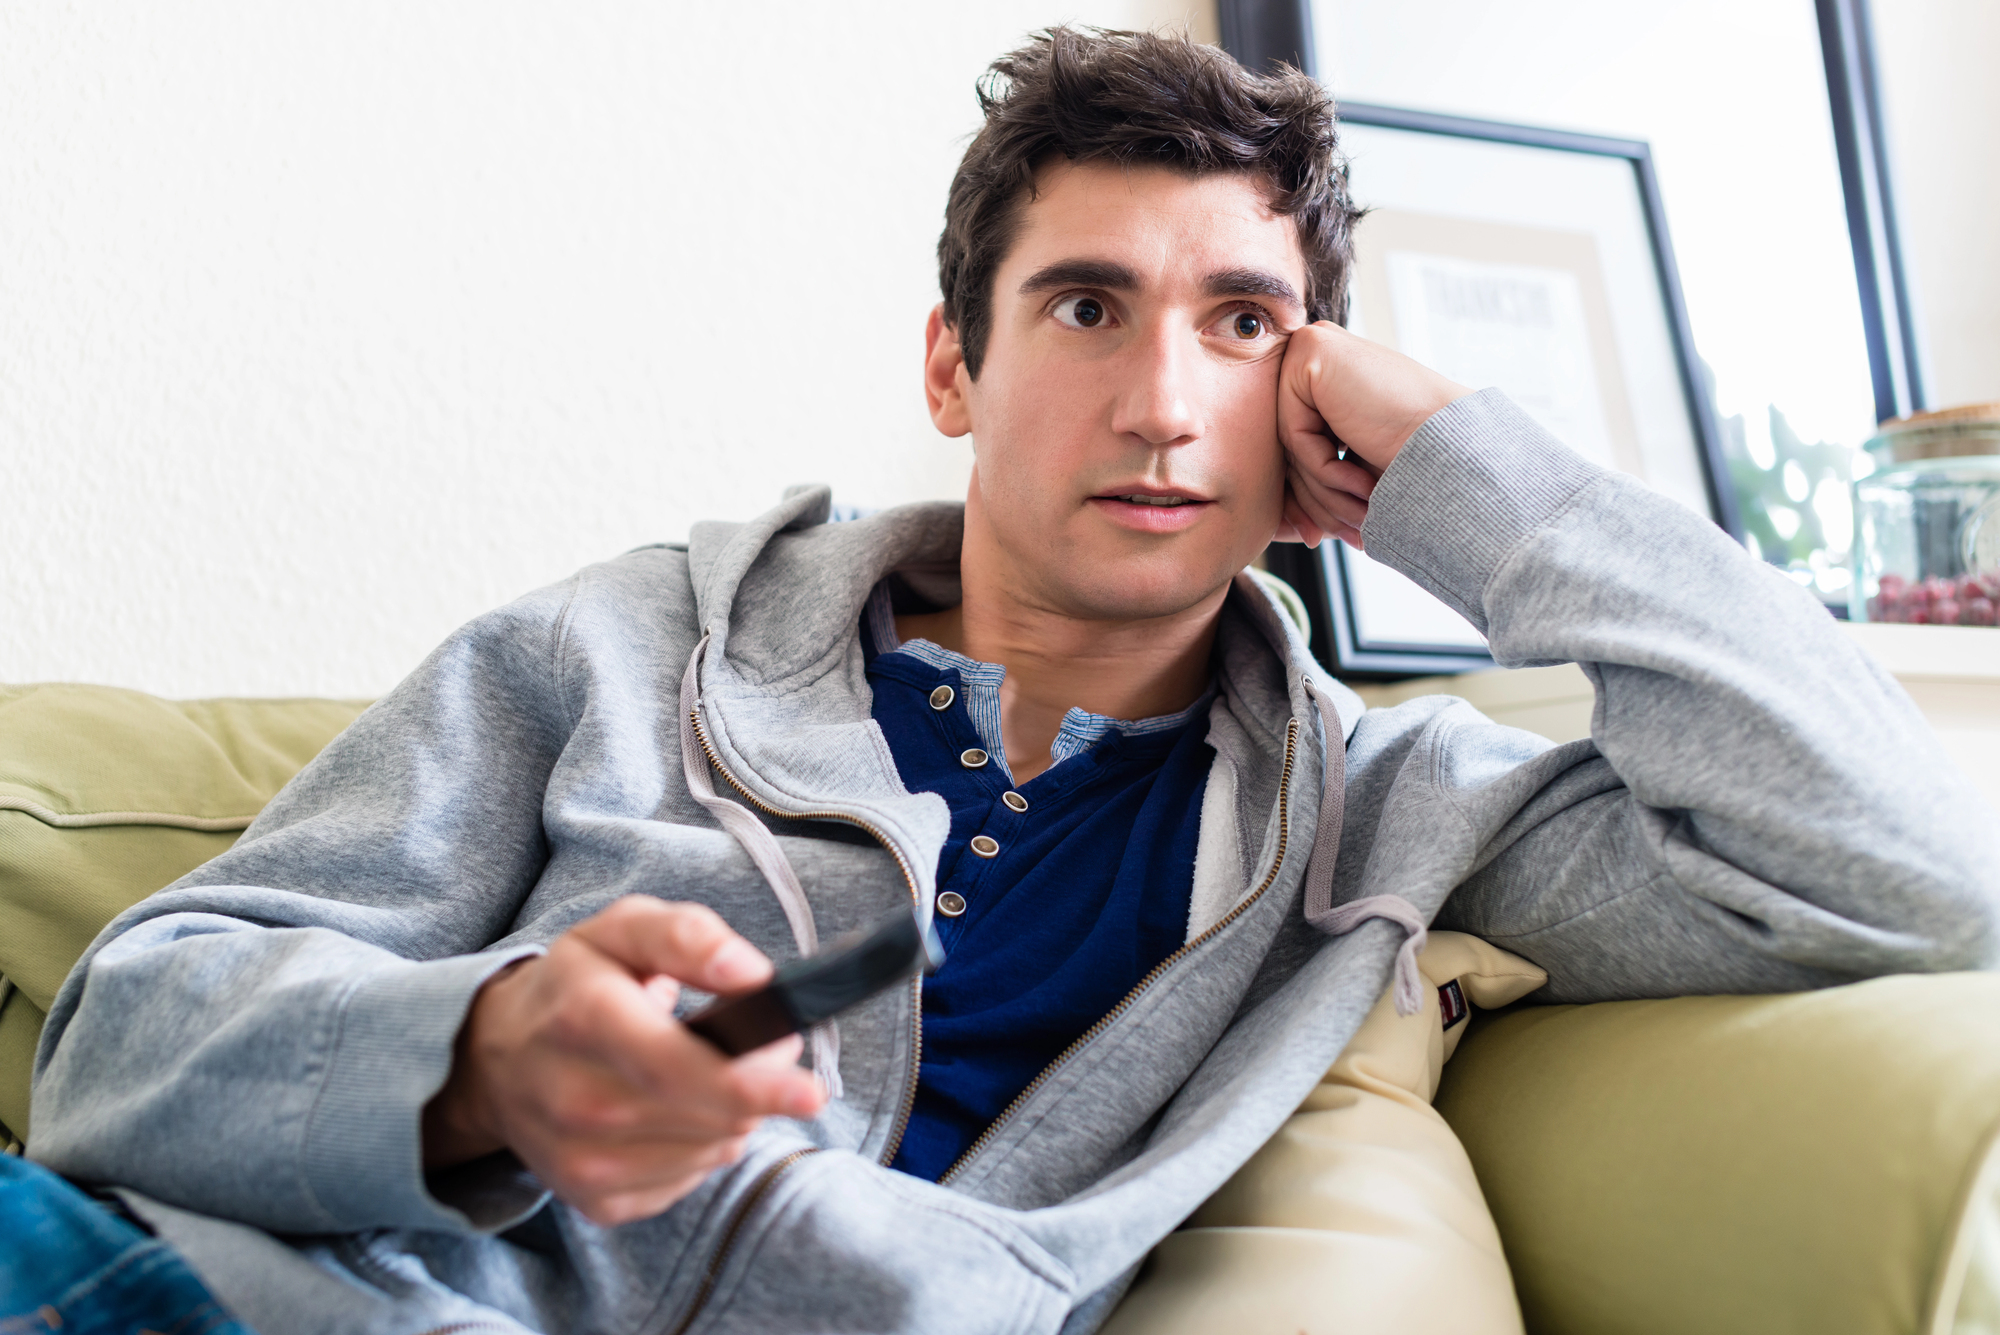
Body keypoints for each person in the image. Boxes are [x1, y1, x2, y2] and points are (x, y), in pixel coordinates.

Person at [21, 25, 1999, 1335]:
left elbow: (1912, 868)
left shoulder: (1399, 812)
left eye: (1242, 323)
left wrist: (1479, 479)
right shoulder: (616, 648)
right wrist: (471, 1057)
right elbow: (114, 1041)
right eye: (1084, 305)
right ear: (954, 367)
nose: (1159, 400)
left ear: (1313, 405)